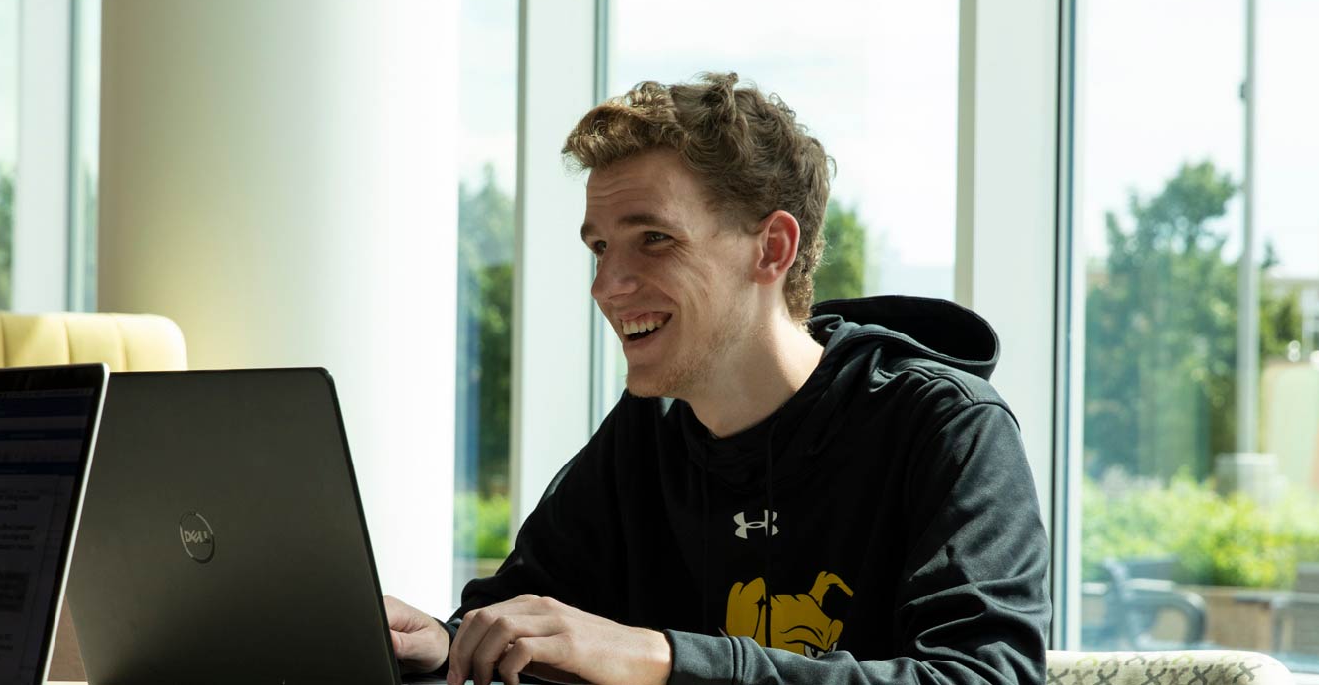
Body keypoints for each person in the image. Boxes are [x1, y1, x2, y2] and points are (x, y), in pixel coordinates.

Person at [385, 74, 1049, 685]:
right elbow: (524, 616)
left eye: (652, 239)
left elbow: (987, 677)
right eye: (599, 247)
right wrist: (448, 644)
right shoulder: (646, 436)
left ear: (772, 249)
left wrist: (662, 657)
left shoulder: (949, 426)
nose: (606, 286)